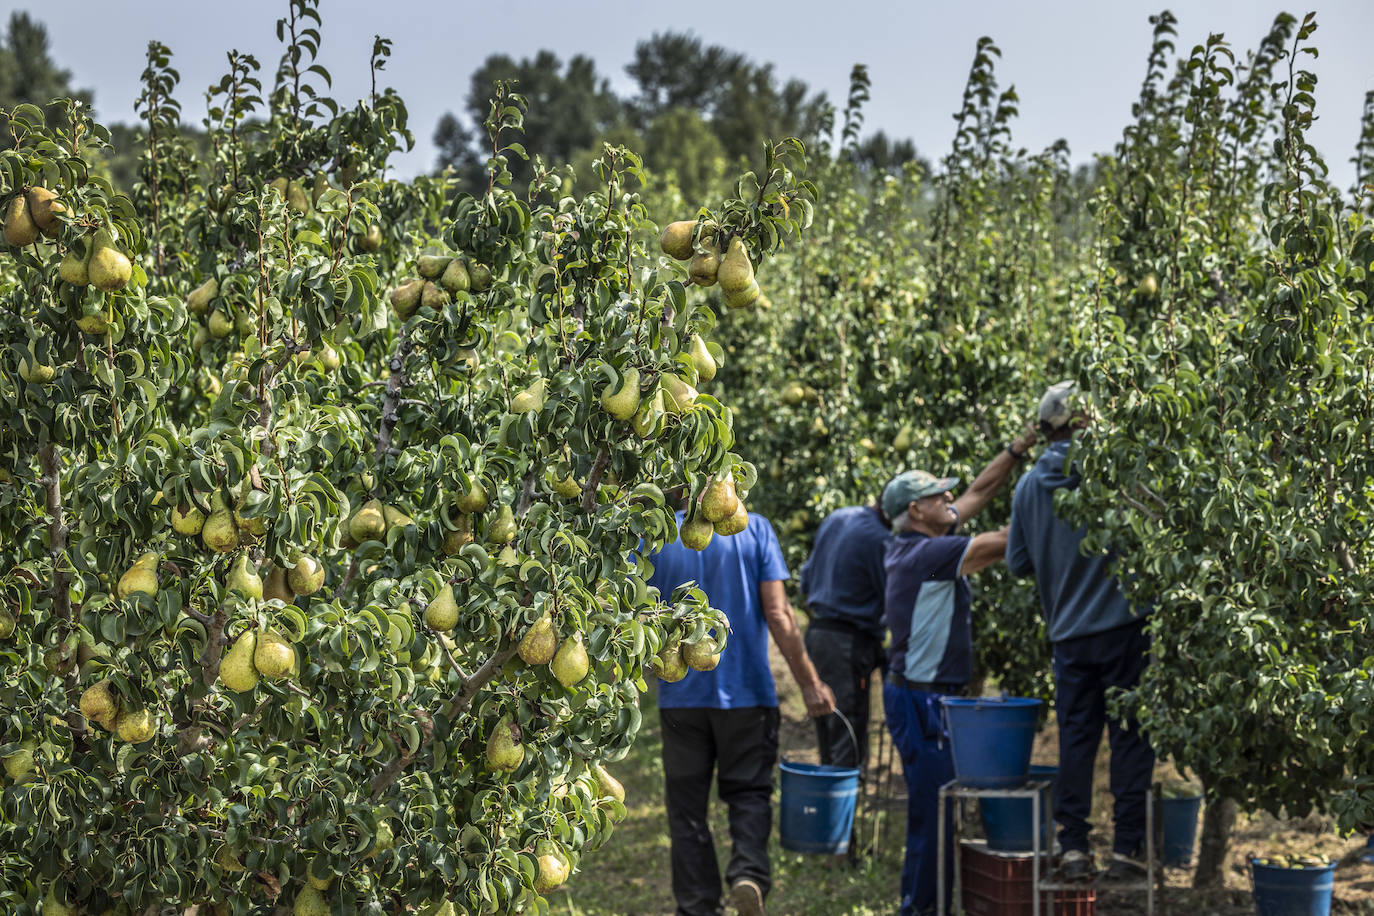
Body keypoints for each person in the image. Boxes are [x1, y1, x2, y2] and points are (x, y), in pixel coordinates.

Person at [648, 506, 836, 916]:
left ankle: (698, 905)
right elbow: (779, 612)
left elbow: (629, 609)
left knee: (687, 809)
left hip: (681, 696)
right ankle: (748, 873)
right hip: (748, 691)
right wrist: (809, 682)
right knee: (750, 793)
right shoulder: (755, 529)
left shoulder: (658, 531)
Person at [882, 427, 1037, 916]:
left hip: (923, 694)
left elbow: (976, 494)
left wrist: (1018, 448)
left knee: (937, 809)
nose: (950, 497)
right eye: (937, 494)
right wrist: (1054, 496)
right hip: (921, 699)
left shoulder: (922, 542)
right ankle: (921, 909)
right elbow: (1005, 541)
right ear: (915, 511)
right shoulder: (928, 556)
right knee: (934, 813)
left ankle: (926, 903)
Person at [1006, 380, 1154, 883]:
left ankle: (1073, 846)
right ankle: (1128, 847)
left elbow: (1019, 563)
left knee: (1076, 739)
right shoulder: (1109, 470)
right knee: (1131, 735)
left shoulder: (1027, 487)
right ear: (1088, 420)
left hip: (1068, 634)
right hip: (1125, 625)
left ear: (1044, 429)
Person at [799, 500, 891, 772]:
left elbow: (806, 579)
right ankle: (841, 808)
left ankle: (826, 805)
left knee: (828, 729)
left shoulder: (837, 517)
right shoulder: (880, 538)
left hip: (818, 634)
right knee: (846, 738)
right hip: (847, 641)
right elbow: (893, 596)